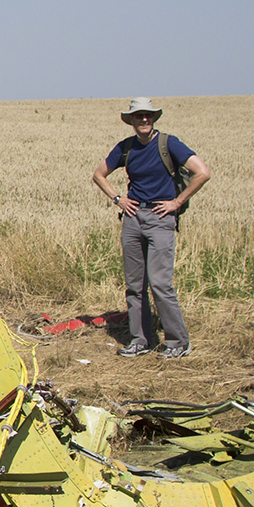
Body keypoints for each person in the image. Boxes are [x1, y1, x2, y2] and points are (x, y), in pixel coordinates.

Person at [91, 97, 211, 358]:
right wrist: (117, 199)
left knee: (160, 284)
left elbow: (202, 172)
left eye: (148, 115)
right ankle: (140, 341)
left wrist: (177, 202)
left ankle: (178, 342)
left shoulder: (169, 144)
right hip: (133, 218)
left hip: (160, 218)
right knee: (135, 285)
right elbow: (99, 174)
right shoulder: (126, 147)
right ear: (131, 120)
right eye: (138, 116)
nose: (144, 120)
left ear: (154, 118)